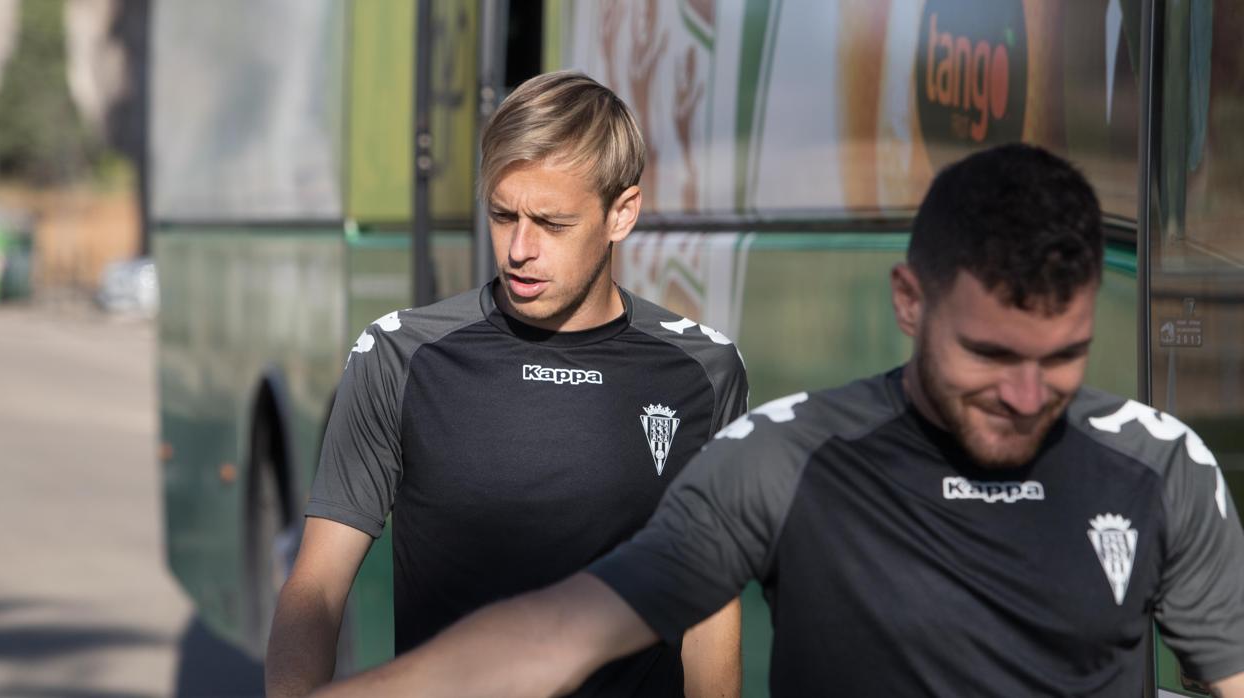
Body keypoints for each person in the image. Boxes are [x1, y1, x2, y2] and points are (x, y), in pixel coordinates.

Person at [313, 144, 1244, 697]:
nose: (1030, 394)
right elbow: (555, 633)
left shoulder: (1162, 469)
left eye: (1065, 357)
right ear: (910, 302)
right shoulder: (781, 461)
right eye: (992, 356)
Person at [264, 71, 749, 698]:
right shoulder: (399, 355)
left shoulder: (704, 372)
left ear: (621, 214)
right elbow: (317, 588)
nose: (520, 248)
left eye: (551, 223)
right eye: (501, 214)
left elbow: (709, 604)